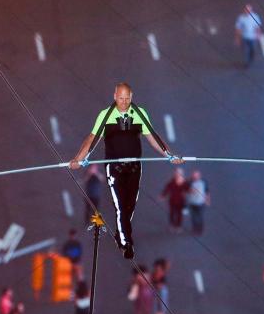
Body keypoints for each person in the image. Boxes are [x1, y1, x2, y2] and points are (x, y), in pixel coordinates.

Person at [68, 83, 183, 259]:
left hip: (135, 167)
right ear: (115, 96)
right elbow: (93, 138)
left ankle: (121, 233)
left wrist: (169, 155)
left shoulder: (139, 113)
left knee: (130, 206)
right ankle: (126, 242)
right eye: (120, 98)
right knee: (120, 207)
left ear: (132, 96)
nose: (124, 102)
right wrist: (79, 159)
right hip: (114, 169)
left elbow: (153, 137)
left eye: (127, 98)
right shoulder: (105, 115)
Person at [185, 170, 210, 235]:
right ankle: (194, 229)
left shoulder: (203, 182)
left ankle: (200, 229)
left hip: (201, 203)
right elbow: (186, 190)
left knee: (200, 217)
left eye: (196, 176)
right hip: (192, 203)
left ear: (199, 176)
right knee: (193, 217)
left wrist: (207, 200)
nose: (195, 177)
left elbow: (207, 192)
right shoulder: (189, 182)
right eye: (194, 176)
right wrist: (190, 191)